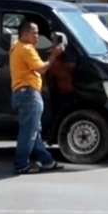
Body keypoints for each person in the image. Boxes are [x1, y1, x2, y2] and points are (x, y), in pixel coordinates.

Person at [10, 20, 65, 175]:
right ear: (25, 33)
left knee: (33, 131)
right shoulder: (27, 48)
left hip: (20, 94)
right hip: (29, 95)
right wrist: (54, 55)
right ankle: (21, 164)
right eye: (35, 33)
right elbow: (41, 68)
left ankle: (47, 161)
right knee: (29, 132)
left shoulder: (16, 47)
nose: (37, 37)